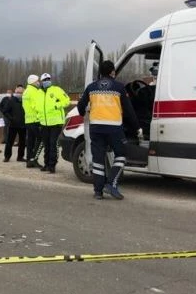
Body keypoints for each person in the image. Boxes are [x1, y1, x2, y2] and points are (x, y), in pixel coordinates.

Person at [77, 60, 141, 200]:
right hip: (114, 128)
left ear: (100, 72)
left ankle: (98, 192)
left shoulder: (91, 87)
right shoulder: (119, 88)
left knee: (98, 159)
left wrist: (87, 110)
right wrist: (137, 128)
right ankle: (111, 183)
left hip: (96, 128)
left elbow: (81, 108)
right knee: (121, 154)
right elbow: (129, 110)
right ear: (112, 72)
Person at [38, 73, 71, 173]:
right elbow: (38, 107)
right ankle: (46, 164)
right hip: (44, 123)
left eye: (49, 79)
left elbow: (67, 100)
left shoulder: (57, 90)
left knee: (53, 144)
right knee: (46, 144)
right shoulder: (39, 93)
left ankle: (52, 165)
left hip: (56, 123)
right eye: (45, 79)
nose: (47, 81)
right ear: (41, 82)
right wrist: (39, 118)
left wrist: (57, 105)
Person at [22, 74, 44, 168]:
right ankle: (34, 159)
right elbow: (36, 105)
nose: (38, 82)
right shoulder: (34, 91)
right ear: (33, 82)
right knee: (40, 139)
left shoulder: (26, 91)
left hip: (28, 120)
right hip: (36, 119)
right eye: (37, 81)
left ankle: (28, 160)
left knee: (30, 141)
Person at [1, 84, 26, 162]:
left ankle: (20, 157)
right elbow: (5, 111)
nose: (19, 94)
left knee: (22, 142)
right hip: (13, 125)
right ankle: (7, 156)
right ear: (15, 92)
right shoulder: (11, 100)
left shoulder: (25, 101)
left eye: (21, 92)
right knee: (9, 142)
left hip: (23, 125)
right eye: (18, 92)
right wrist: (11, 118)